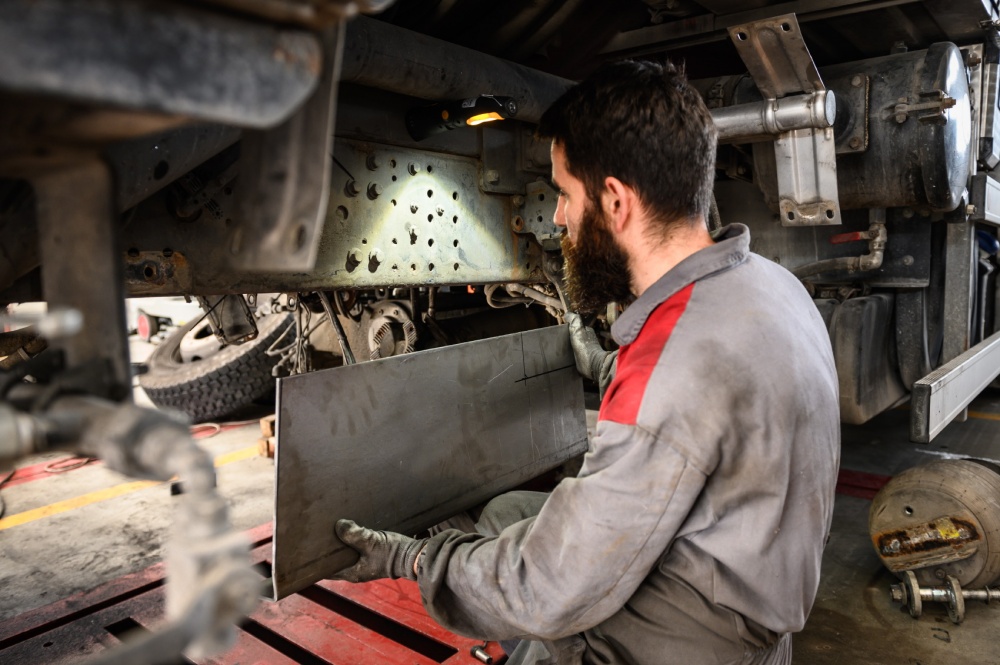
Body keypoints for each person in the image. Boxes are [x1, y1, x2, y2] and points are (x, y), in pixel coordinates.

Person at [330, 59, 841, 665]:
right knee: (506, 514)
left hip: (689, 643)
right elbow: (713, 411)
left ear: (616, 200)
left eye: (566, 195)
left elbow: (548, 588)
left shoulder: (671, 361)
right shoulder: (771, 286)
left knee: (527, 592)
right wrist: (605, 367)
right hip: (753, 592)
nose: (558, 218)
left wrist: (412, 560)